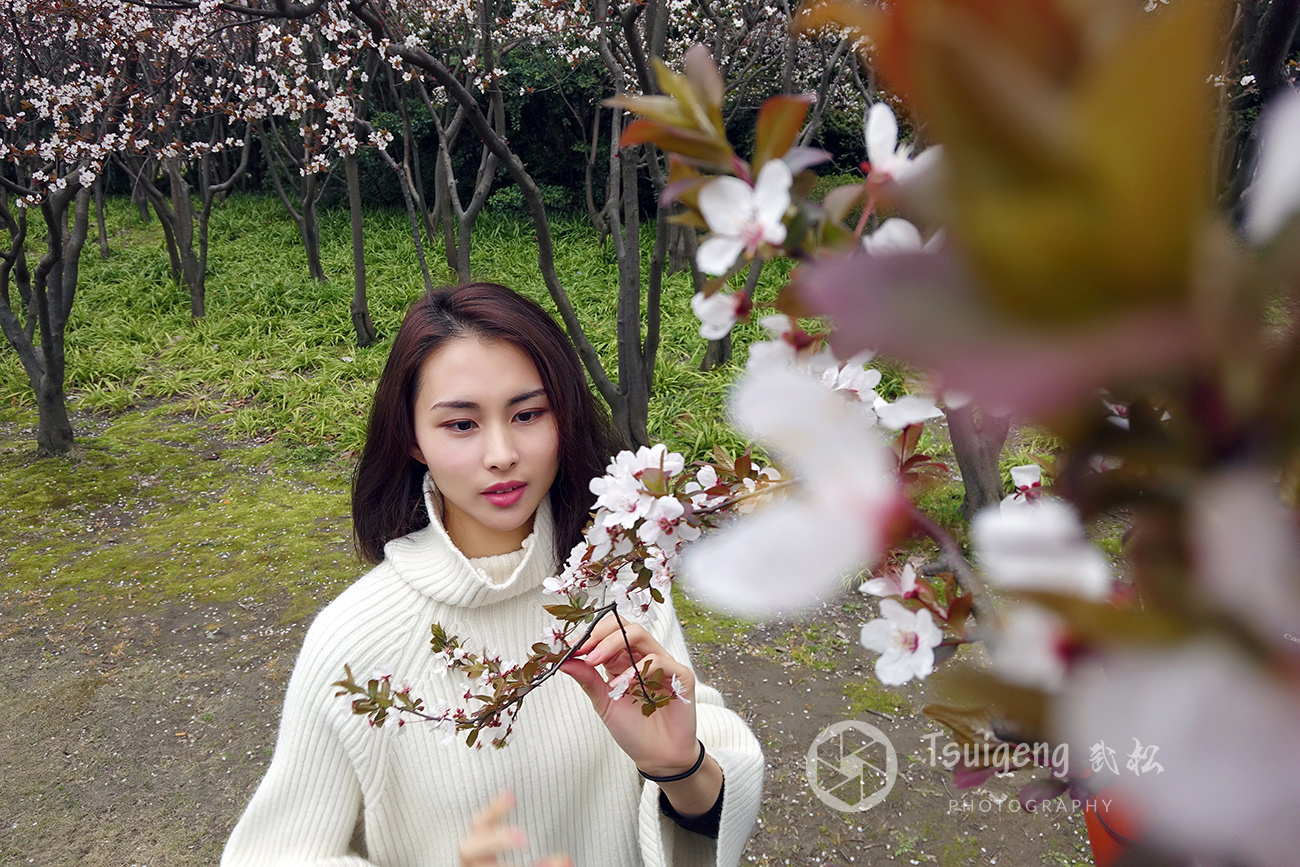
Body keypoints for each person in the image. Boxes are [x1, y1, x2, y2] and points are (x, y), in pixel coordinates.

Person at [222, 282, 763, 867]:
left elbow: (713, 798)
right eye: (461, 424)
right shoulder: (355, 640)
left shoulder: (615, 582)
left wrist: (677, 767)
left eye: (528, 414)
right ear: (412, 438)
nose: (502, 453)